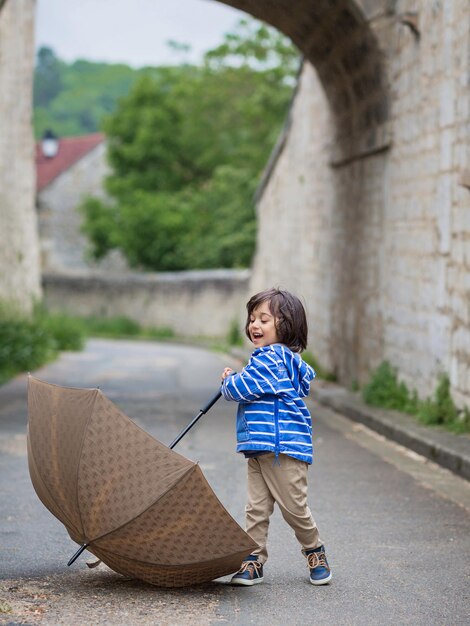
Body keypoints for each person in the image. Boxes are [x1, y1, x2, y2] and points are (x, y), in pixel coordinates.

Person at [221, 287, 331, 586]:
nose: (255, 325)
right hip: (259, 447)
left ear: (286, 325)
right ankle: (253, 560)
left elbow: (240, 389)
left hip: (283, 451)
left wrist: (228, 381)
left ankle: (315, 551)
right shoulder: (269, 359)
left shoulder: (272, 359)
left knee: (294, 509)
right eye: (252, 319)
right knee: (256, 508)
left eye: (264, 320)